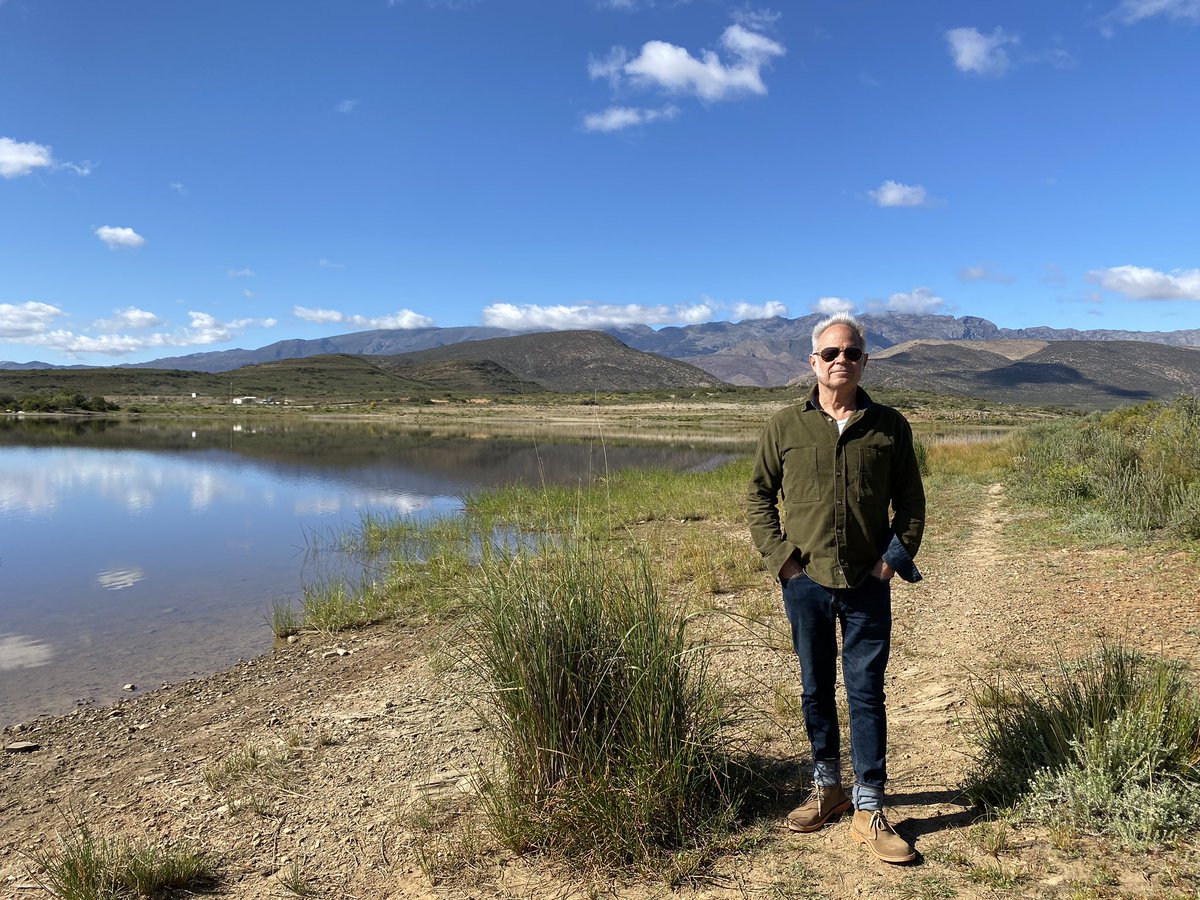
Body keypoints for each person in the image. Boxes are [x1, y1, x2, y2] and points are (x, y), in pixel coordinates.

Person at [746, 312, 925, 864]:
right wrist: (784, 564)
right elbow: (758, 499)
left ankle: (869, 805)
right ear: (814, 362)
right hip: (805, 581)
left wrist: (890, 563)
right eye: (830, 353)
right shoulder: (784, 425)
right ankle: (828, 789)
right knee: (815, 687)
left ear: (864, 361)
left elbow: (912, 504)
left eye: (850, 353)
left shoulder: (889, 426)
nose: (840, 361)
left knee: (866, 691)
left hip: (868, 581)